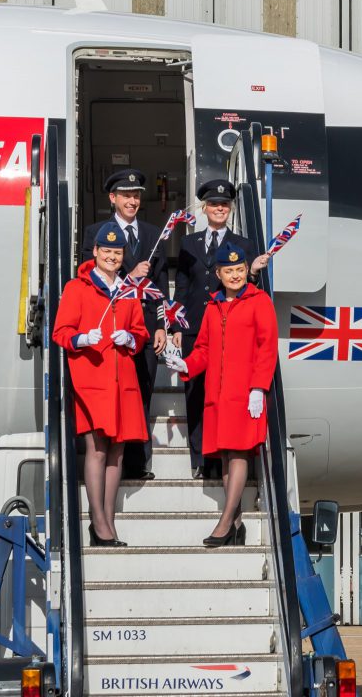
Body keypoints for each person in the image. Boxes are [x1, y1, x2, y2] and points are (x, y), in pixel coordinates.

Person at [166, 243, 277, 547]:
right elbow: (203, 348)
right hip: (218, 394)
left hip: (245, 394)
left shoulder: (259, 301)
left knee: (239, 453)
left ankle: (225, 522)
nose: (236, 275)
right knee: (227, 457)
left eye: (240, 270)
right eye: (229, 271)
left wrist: (258, 387)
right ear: (218, 273)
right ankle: (237, 524)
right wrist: (186, 363)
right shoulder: (213, 307)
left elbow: (268, 347)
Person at [55, 222, 148, 547]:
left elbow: (140, 332)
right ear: (95, 252)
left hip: (122, 380)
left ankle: (107, 522)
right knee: (96, 450)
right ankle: (98, 522)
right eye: (106, 250)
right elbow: (61, 332)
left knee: (118, 453)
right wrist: (81, 338)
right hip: (91, 380)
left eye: (117, 252)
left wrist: (132, 338)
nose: (111, 256)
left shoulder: (128, 291)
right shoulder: (77, 288)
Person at [171, 179, 269, 479]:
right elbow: (183, 285)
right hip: (195, 328)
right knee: (196, 394)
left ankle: (219, 459)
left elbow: (244, 286)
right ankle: (200, 457)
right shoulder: (189, 243)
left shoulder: (243, 245)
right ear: (205, 208)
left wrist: (251, 272)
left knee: (223, 397)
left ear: (230, 209)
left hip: (228, 329)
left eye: (224, 205)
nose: (219, 209)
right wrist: (177, 323)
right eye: (214, 204)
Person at [81, 169, 168, 482]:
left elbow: (160, 284)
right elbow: (86, 274)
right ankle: (108, 460)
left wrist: (161, 324)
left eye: (136, 195)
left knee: (140, 394)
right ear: (112, 198)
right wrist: (129, 279)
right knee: (111, 396)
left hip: (142, 324)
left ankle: (137, 463)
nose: (132, 201)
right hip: (110, 324)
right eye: (126, 195)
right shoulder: (95, 232)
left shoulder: (151, 232)